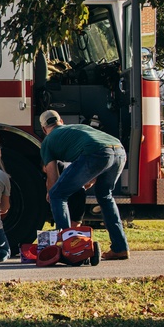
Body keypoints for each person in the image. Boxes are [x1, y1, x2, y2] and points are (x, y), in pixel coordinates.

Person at [39, 110, 130, 260]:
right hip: (119, 150)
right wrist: (88, 179)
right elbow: (102, 155)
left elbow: (53, 178)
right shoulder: (76, 128)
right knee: (105, 196)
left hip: (96, 152)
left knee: (57, 195)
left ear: (44, 129)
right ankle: (120, 248)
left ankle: (66, 247)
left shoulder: (48, 142)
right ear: (61, 121)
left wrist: (51, 193)